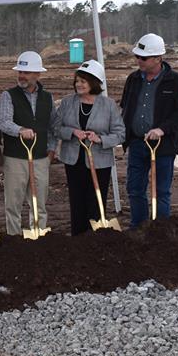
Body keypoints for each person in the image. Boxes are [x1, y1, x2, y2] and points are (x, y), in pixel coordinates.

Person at [120, 33, 178, 228]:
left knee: (161, 191)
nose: (138, 61)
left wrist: (162, 129)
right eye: (137, 57)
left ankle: (161, 231)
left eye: (143, 58)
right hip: (136, 142)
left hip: (163, 146)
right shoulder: (133, 79)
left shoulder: (175, 81)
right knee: (134, 189)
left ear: (158, 58)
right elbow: (125, 106)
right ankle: (138, 227)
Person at [53, 60, 126, 235]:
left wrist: (100, 139)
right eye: (77, 80)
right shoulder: (67, 103)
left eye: (83, 81)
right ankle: (78, 236)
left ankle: (95, 236)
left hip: (100, 161)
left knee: (96, 198)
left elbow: (120, 133)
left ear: (94, 82)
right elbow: (56, 128)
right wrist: (72, 132)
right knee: (77, 200)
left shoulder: (108, 105)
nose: (78, 84)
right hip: (74, 159)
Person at [0, 51, 57, 236]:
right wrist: (20, 130)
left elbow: (53, 126)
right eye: (20, 72)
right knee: (13, 204)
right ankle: (14, 240)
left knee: (39, 204)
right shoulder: (9, 95)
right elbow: (4, 122)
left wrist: (51, 150)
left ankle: (38, 237)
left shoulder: (48, 98)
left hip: (40, 158)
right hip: (15, 158)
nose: (21, 76)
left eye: (26, 72)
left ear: (37, 75)